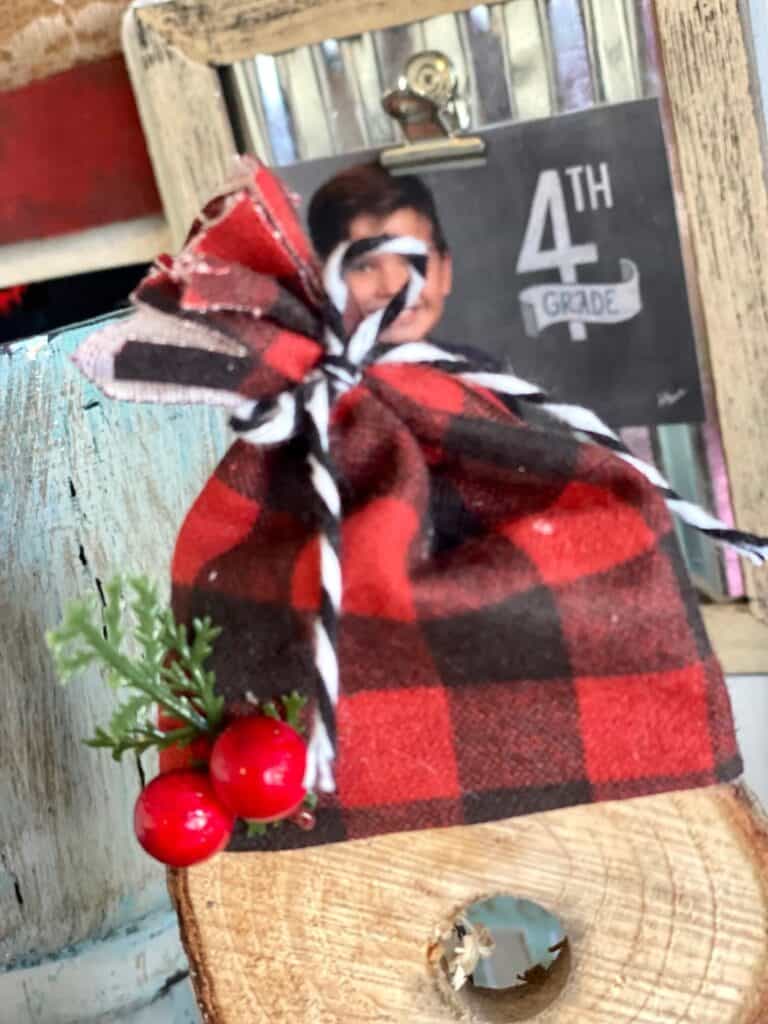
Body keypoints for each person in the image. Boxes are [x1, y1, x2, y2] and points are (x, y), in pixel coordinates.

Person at [307, 161, 453, 345]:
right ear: (323, 280)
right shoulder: (311, 372)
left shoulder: (477, 371)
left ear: (445, 272)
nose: (392, 288)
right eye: (364, 267)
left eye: (412, 260)